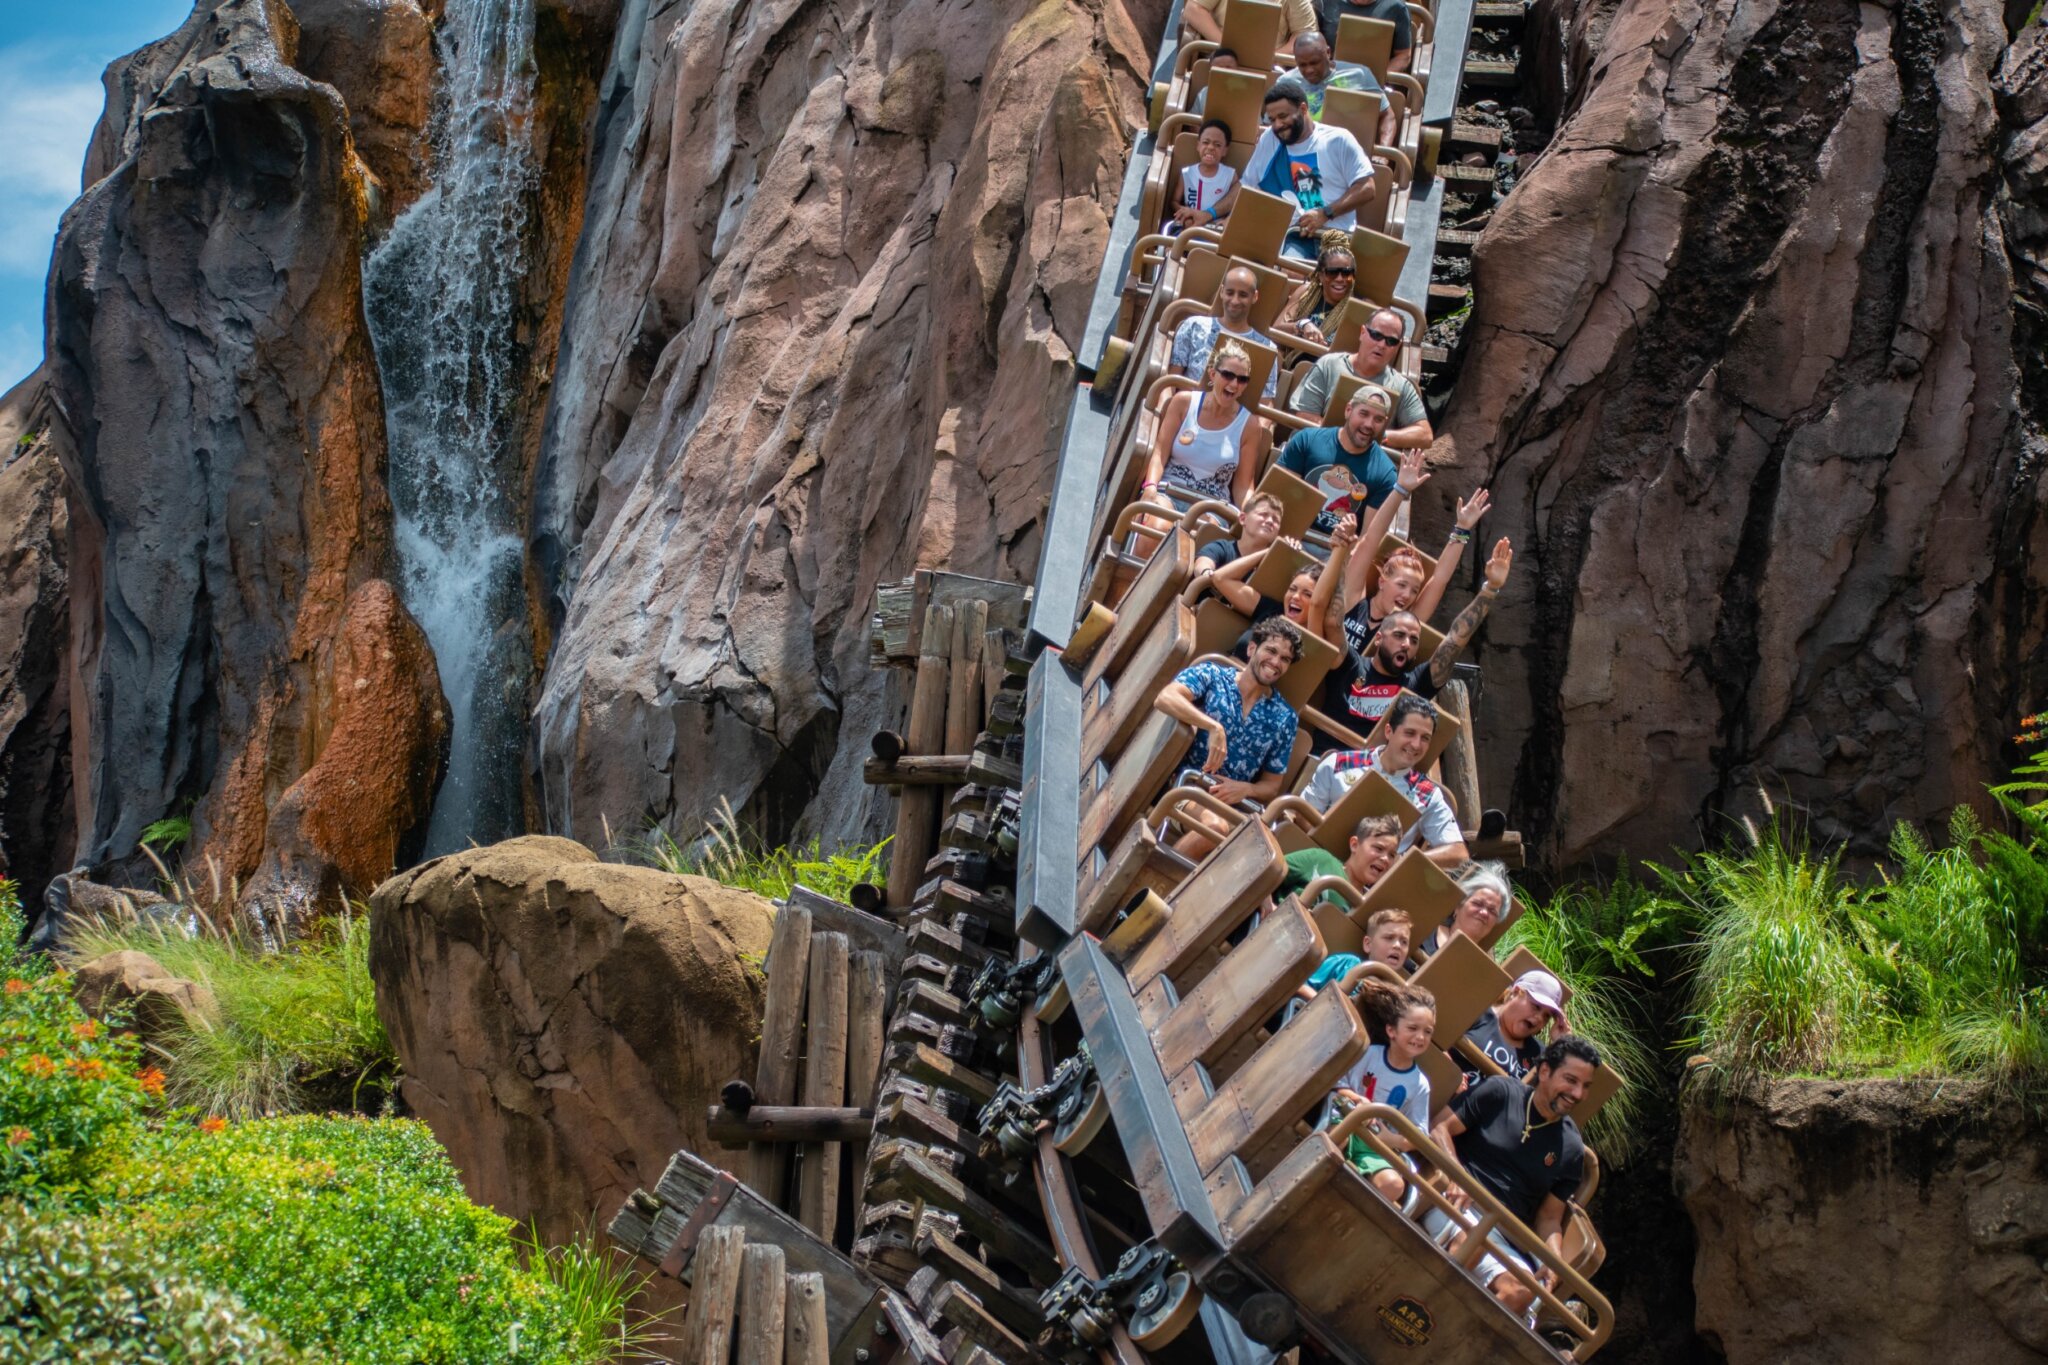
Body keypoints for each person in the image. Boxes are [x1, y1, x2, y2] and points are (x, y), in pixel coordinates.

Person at [1426, 1038, 1600, 1316]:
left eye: (1585, 1086)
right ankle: (1418, 1313)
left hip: (1504, 1233)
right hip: (1457, 1204)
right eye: (1570, 1080)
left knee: (1519, 1292)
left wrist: (1552, 1257)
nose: (1577, 1093)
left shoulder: (1571, 1149)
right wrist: (1457, 1177)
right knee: (1471, 1244)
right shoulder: (1501, 1092)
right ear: (1545, 1072)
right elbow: (1440, 1128)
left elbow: (1549, 1217)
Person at [1319, 536, 1512, 735]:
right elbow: (1333, 622)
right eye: (1399, 635)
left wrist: (1490, 589)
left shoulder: (1414, 684)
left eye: (1413, 640)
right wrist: (1342, 552)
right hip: (1329, 757)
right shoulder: (1351, 665)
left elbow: (1455, 640)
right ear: (1379, 638)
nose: (1406, 644)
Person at [1153, 618, 1304, 854]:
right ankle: (1158, 877)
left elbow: (1272, 785)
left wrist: (1246, 789)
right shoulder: (1214, 675)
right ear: (1252, 649)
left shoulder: (1285, 717)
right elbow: (1166, 697)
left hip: (1234, 804)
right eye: (1271, 651)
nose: (1275, 662)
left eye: (1285, 659)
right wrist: (1213, 727)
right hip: (1188, 785)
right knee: (1215, 827)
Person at [1337, 459, 1491, 655]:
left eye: (1414, 590)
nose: (1407, 595)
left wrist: (1462, 529)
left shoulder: (1404, 627)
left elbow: (1439, 579)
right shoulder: (1354, 600)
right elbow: (1370, 541)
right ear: (1383, 581)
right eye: (1402, 585)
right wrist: (1400, 489)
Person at [1210, 78, 1375, 260]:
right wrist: (1211, 214)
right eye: (1272, 120)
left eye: (1283, 117)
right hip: (1294, 235)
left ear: (1303, 109)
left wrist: (1325, 213)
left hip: (1336, 236)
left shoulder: (1338, 140)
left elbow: (1367, 188)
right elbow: (1247, 185)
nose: (1277, 125)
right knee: (1288, 270)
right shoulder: (1270, 139)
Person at [1301, 692, 1465, 864]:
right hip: (1323, 862)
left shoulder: (1427, 794)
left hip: (1376, 883)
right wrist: (1332, 853)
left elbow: (1458, 853)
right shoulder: (1340, 763)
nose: (1416, 744)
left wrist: (1400, 861)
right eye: (1409, 733)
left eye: (1425, 738)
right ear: (1389, 731)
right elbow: (1302, 813)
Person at [1333, 983, 1436, 1201]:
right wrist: (1354, 1099)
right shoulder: (1369, 1054)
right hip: (1345, 1121)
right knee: (1337, 1138)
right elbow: (1338, 1082)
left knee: (1393, 1184)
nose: (1420, 1037)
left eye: (1427, 1032)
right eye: (1412, 1028)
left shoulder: (1419, 1084)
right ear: (1391, 1030)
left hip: (1375, 1145)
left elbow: (1418, 1135)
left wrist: (1392, 1140)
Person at [1143, 340, 1268, 509]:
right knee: (1158, 525)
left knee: (1202, 534)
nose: (1233, 384)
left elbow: (1244, 486)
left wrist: (1250, 512)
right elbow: (1159, 453)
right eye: (1228, 375)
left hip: (1213, 505)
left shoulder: (1250, 426)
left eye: (1242, 379)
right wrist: (1150, 486)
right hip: (1170, 491)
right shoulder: (1183, 403)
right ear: (1212, 374)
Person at [1288, 306, 1432, 448]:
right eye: (1376, 335)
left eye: (1391, 341)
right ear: (1363, 332)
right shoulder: (1329, 365)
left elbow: (1425, 435)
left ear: (1397, 346)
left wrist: (1381, 436)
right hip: (1319, 447)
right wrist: (1347, 436)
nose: (1382, 345)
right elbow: (1305, 414)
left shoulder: (1402, 386)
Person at [1274, 386, 1397, 534]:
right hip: (1291, 534)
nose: (1369, 424)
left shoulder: (1385, 473)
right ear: (1348, 410)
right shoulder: (1307, 440)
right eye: (1363, 414)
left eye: (1378, 419)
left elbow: (1366, 540)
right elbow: (1277, 501)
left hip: (1337, 549)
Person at [1208, 516, 1350, 643]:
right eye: (1292, 589)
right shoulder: (1271, 609)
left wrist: (1340, 550)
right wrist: (1273, 549)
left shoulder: (1312, 637)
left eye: (1307, 594)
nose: (1295, 597)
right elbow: (1221, 578)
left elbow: (1318, 604)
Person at [1168, 266, 1281, 399]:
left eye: (1243, 295)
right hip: (1185, 412)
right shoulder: (1193, 325)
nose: (1234, 301)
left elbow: (1266, 403)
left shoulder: (1267, 348)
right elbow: (1171, 382)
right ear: (1221, 292)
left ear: (1255, 297)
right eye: (1230, 293)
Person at [1456, 970, 1568, 1090]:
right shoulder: (1477, 1013)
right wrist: (1452, 1078)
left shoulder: (1538, 1054)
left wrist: (1561, 1044)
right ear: (1515, 992)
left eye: (1546, 1016)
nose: (1539, 1018)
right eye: (1536, 1006)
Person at [1275, 811, 1403, 909]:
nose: (1385, 859)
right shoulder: (1320, 859)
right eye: (1378, 848)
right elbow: (1266, 869)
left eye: (1392, 855)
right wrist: (1267, 903)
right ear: (1354, 845)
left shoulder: (1366, 909)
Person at [1289, 32, 1394, 145]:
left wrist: (1383, 153)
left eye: (1314, 63)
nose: (1309, 70)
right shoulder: (1287, 83)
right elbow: (1272, 125)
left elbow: (1387, 115)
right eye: (1302, 65)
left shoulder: (1358, 75)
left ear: (1328, 53)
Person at [1298, 907, 1412, 1004]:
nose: (1397, 945)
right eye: (1389, 938)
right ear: (1368, 944)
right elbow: (1300, 986)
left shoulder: (1398, 999)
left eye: (1404, 942)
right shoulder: (1348, 964)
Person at [1271, 236, 1356, 356]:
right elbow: (1276, 330)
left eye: (1347, 272)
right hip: (1293, 362)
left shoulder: (1355, 308)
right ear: (1320, 275)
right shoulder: (1305, 293)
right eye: (1332, 272)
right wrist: (1302, 325)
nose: (1340, 279)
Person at [1413, 862, 1514, 959]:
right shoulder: (1424, 931)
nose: (1484, 913)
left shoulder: (1479, 969)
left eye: (1492, 911)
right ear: (1458, 907)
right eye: (1477, 904)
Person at [1186, 0, 1319, 61]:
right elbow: (1194, 9)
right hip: (1221, 58)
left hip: (1271, 67)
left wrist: (1270, 58)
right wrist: (1226, 46)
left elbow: (1306, 34)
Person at [1170, 119, 1238, 235]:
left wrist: (1227, 220)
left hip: (1215, 229)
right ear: (1198, 145)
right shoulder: (1187, 173)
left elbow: (1236, 204)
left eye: (1217, 145)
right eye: (1206, 142)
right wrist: (1184, 212)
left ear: (1225, 150)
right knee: (1175, 237)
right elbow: (1174, 201)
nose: (1210, 147)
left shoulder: (1230, 175)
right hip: (1189, 226)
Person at [1195, 489, 1286, 576]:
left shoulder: (1271, 568)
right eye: (1263, 514)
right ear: (1243, 518)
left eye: (1276, 520)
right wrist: (1207, 572)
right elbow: (1202, 564)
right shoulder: (1222, 547)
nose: (1270, 521)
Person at [1317, 0, 1414, 73]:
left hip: (1375, 84)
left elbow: (1403, 55)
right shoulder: (1326, 2)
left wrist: (1379, 79)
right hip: (1330, 77)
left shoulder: (1396, 8)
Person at [1189, 47, 1240, 118]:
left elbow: (1256, 125)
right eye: (1219, 69)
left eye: (1228, 68)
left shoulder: (1247, 95)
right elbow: (1193, 123)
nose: (1224, 72)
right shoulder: (1203, 93)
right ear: (1210, 72)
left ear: (1237, 71)